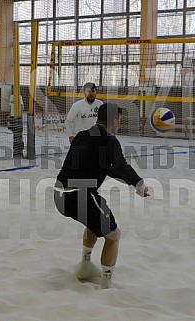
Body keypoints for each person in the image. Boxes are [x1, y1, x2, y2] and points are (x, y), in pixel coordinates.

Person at [54, 102, 149, 289]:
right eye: (119, 121)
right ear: (114, 121)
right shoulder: (108, 139)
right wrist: (140, 183)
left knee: (94, 222)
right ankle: (106, 285)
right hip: (79, 196)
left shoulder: (83, 135)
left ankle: (85, 266)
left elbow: (108, 168)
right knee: (114, 235)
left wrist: (133, 184)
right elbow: (120, 165)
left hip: (59, 195)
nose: (119, 125)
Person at [9, 89, 24, 158]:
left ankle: (17, 152)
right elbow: (21, 106)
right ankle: (17, 152)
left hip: (15, 117)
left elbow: (21, 106)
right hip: (15, 117)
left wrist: (19, 115)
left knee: (17, 135)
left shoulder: (15, 96)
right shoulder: (15, 97)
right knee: (17, 135)